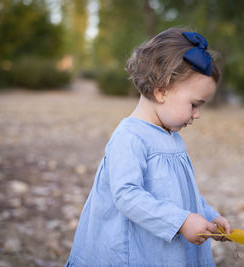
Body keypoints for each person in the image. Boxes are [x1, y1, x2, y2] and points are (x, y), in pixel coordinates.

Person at [65, 27, 231, 267]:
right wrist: (182, 222)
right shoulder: (130, 137)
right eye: (195, 104)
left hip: (165, 247)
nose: (197, 115)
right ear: (161, 91)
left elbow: (182, 191)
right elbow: (126, 195)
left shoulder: (170, 136)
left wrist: (208, 214)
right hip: (138, 251)